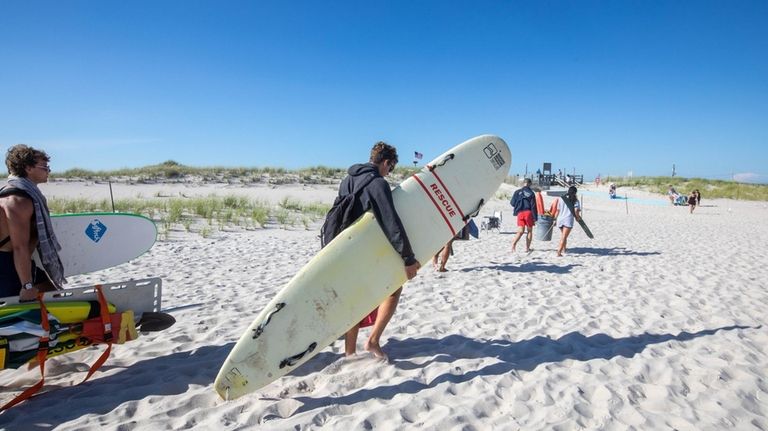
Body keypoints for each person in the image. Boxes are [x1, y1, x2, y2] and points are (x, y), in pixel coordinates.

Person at [336, 142, 420, 359]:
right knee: (394, 288)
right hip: (364, 250)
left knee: (354, 298)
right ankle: (372, 341)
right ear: (385, 162)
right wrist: (408, 258)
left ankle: (349, 352)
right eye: (390, 167)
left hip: (343, 247)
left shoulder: (349, 179)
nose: (389, 171)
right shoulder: (377, 183)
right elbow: (390, 222)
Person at [0, 145, 66, 300]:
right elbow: (19, 246)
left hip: (17, 264)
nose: (48, 170)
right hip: (6, 266)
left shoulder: (22, 195)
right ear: (28, 168)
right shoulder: (18, 201)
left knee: (54, 295)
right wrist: (27, 285)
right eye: (44, 166)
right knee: (20, 318)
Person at [510, 178, 538, 253]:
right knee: (529, 231)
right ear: (529, 184)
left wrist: (518, 205)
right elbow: (533, 206)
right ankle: (527, 248)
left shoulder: (517, 192)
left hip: (520, 213)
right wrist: (535, 217)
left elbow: (512, 203)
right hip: (528, 212)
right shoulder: (531, 193)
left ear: (523, 183)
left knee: (520, 231)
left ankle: (513, 244)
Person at [556, 186, 581, 257]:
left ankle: (564, 249)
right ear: (575, 192)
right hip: (568, 220)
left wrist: (555, 219)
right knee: (564, 236)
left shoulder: (561, 198)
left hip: (560, 219)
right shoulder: (575, 200)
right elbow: (576, 211)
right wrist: (577, 218)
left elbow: (558, 210)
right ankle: (559, 252)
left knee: (564, 236)